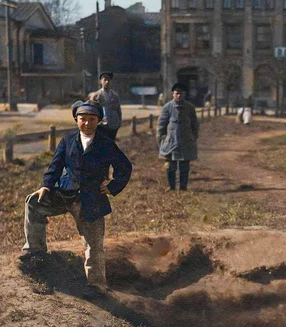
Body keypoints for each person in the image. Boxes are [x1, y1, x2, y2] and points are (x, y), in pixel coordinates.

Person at [20, 101, 132, 299]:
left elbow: (124, 167)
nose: (87, 124)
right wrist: (46, 185)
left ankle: (96, 286)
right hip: (64, 193)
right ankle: (35, 252)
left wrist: (112, 187)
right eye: (83, 119)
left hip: (90, 200)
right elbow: (55, 166)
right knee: (33, 202)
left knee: (93, 244)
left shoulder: (106, 144)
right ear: (76, 120)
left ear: (99, 121)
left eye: (92, 119)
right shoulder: (68, 140)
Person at [158, 83, 199, 191]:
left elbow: (195, 125)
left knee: (184, 167)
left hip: (186, 142)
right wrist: (161, 141)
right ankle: (171, 187)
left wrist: (193, 137)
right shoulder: (167, 107)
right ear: (173, 94)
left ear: (184, 94)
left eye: (181, 93)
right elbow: (161, 126)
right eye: (177, 93)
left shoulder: (190, 107)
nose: (179, 96)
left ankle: (183, 187)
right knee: (170, 167)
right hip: (171, 143)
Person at [93, 72, 122, 141]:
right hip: (100, 125)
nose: (107, 82)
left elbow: (118, 110)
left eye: (109, 80)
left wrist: (119, 122)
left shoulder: (115, 96)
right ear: (101, 81)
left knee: (111, 144)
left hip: (113, 125)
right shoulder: (96, 95)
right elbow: (91, 110)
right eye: (104, 80)